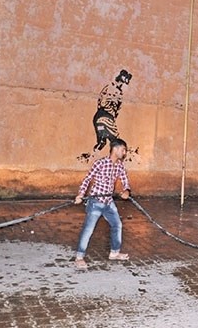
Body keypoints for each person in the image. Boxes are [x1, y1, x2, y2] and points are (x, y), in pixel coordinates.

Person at [74, 138, 131, 270]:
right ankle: (79, 257)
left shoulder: (120, 165)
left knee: (117, 225)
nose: (124, 153)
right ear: (115, 149)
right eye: (123, 150)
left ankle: (114, 253)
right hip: (96, 201)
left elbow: (125, 181)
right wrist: (81, 195)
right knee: (88, 229)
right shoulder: (100, 163)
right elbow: (87, 179)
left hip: (108, 201)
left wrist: (127, 191)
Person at [92, 69, 132, 153]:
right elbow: (103, 103)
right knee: (117, 142)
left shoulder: (116, 91)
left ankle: (91, 156)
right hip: (106, 118)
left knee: (102, 142)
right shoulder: (112, 89)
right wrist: (111, 112)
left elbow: (101, 103)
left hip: (98, 119)